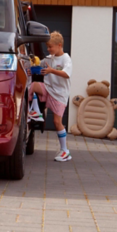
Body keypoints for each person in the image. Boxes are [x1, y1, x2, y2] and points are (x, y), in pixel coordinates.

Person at [30, 32, 73, 162]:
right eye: (47, 46)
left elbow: (66, 74)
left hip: (60, 94)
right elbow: (37, 64)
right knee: (33, 86)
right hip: (48, 89)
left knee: (56, 122)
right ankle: (35, 112)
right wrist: (31, 65)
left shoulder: (66, 59)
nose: (48, 49)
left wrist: (51, 71)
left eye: (50, 47)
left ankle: (65, 151)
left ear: (59, 45)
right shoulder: (49, 58)